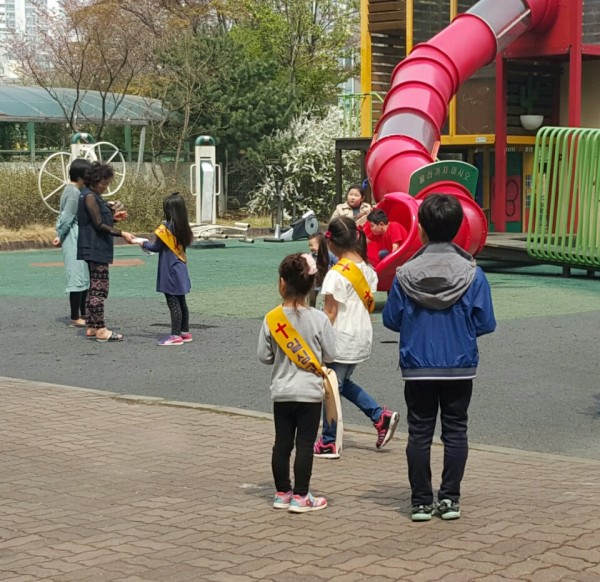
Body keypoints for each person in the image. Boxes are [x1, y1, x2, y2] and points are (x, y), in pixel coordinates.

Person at [382, 194, 496, 522]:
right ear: (458, 227)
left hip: (417, 365)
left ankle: (420, 502)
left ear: (421, 228)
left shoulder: (405, 273)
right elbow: (485, 322)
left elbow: (391, 319)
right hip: (460, 365)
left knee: (419, 432)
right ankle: (449, 499)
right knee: (456, 430)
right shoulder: (473, 274)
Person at [313, 216, 399, 459]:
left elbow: (330, 313)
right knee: (341, 383)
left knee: (330, 388)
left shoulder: (335, 275)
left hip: (340, 336)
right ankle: (379, 416)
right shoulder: (369, 270)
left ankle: (329, 441)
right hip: (360, 335)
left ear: (331, 243)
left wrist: (317, 339)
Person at [258, 253, 337, 512]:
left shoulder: (272, 318)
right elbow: (331, 354)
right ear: (311, 285)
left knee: (282, 443)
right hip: (310, 393)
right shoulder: (319, 318)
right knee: (304, 444)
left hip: (282, 392)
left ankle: (282, 493)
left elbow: (264, 356)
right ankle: (301, 496)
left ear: (282, 283)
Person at [77, 162, 134, 342]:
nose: (106, 187)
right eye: (103, 183)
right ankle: (101, 329)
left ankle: (92, 326)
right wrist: (122, 233)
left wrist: (113, 218)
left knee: (94, 286)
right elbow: (98, 224)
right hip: (96, 247)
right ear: (94, 180)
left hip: (93, 246)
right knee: (99, 289)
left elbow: (96, 220)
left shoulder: (90, 195)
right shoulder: (89, 196)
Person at [136, 193, 194, 346]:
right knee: (181, 301)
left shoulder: (167, 228)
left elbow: (155, 247)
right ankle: (185, 332)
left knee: (173, 303)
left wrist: (142, 243)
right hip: (181, 267)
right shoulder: (184, 227)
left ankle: (175, 335)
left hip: (170, 270)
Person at [52, 159, 92, 327]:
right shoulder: (73, 192)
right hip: (73, 238)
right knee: (76, 276)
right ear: (80, 177)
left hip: (78, 237)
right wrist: (60, 234)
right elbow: (67, 216)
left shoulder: (74, 191)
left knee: (83, 276)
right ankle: (75, 316)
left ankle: (83, 313)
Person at [307, 232, 337, 307]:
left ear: (321, 245)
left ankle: (325, 308)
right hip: (314, 281)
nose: (310, 248)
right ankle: (311, 309)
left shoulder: (329, 254)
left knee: (327, 297)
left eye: (312, 245)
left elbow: (337, 263)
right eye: (309, 245)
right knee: (312, 298)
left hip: (326, 279)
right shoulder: (310, 256)